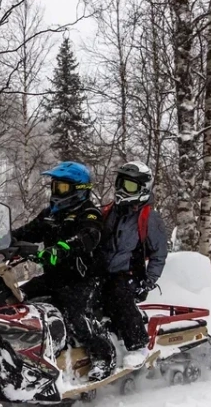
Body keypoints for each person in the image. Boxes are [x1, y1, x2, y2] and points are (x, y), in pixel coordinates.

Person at [13, 161, 115, 381]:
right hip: (54, 277)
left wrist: (62, 248)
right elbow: (26, 232)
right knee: (16, 298)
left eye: (62, 187)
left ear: (79, 190)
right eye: (55, 186)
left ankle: (103, 357)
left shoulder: (89, 214)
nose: (56, 191)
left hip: (83, 279)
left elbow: (88, 237)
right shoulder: (50, 214)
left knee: (75, 315)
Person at [98, 161, 169, 368]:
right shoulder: (110, 211)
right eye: (120, 183)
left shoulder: (149, 218)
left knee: (118, 296)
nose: (122, 190)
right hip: (103, 271)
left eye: (129, 186)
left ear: (142, 188)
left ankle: (138, 345)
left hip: (130, 274)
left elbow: (159, 254)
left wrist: (149, 280)